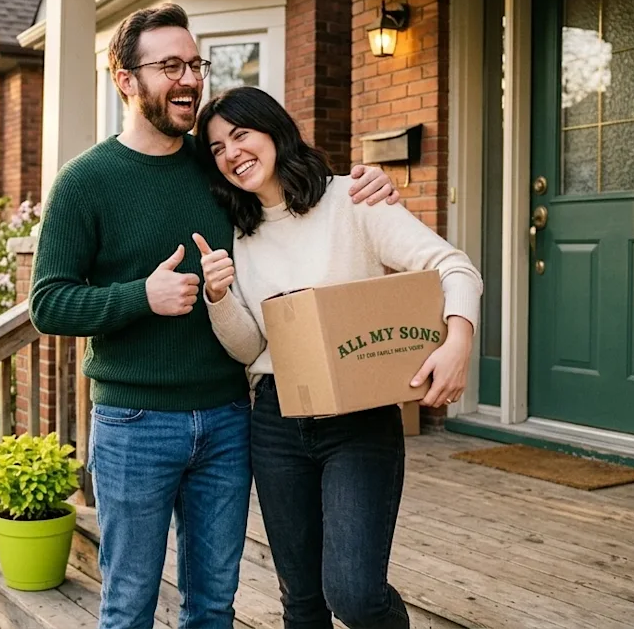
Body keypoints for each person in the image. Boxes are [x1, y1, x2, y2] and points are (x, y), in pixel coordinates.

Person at [28, 4, 400, 629]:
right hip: (134, 423)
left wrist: (367, 186)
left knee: (212, 606)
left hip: (230, 418)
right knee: (127, 605)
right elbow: (48, 303)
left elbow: (296, 203)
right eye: (169, 65)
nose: (189, 79)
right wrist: (137, 297)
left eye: (195, 64)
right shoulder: (84, 182)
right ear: (125, 79)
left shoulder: (220, 165)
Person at [193, 86, 483, 629]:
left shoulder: (353, 200)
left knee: (354, 594)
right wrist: (218, 299)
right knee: (301, 602)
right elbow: (252, 348)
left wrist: (458, 341)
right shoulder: (238, 232)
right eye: (216, 149)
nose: (230, 153)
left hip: (359, 420)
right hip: (276, 420)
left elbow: (453, 266)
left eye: (240, 135)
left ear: (274, 130)